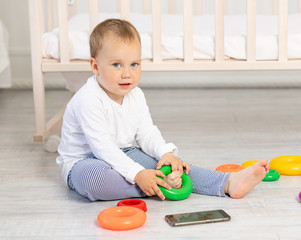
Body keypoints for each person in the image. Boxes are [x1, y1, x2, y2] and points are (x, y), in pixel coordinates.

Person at [56, 18, 269, 202]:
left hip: (125, 151)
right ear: (95, 66)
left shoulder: (136, 95)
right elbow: (102, 147)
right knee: (94, 181)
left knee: (169, 166)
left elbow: (146, 132)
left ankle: (227, 183)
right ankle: (161, 185)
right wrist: (138, 174)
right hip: (85, 160)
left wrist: (165, 153)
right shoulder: (88, 98)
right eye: (116, 65)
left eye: (134, 64)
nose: (127, 74)